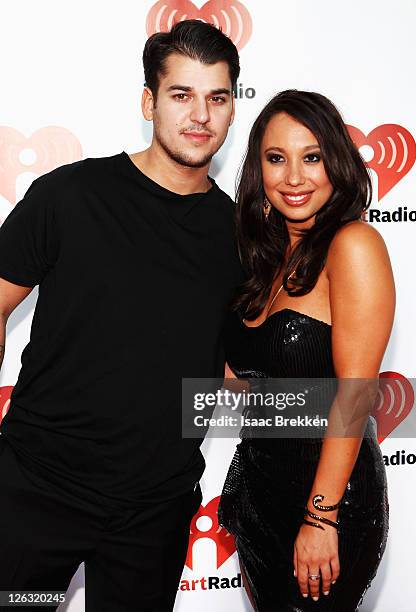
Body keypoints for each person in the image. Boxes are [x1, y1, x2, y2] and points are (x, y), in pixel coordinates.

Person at [0, 20, 242, 611]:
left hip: (152, 515)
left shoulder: (240, 235)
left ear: (234, 109)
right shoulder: (69, 196)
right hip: (37, 494)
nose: (200, 116)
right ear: (148, 102)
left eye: (217, 97)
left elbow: (233, 376)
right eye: (181, 95)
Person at [218, 90, 394, 611]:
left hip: (326, 505)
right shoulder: (265, 262)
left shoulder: (354, 244)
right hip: (258, 490)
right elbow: (251, 388)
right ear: (258, 171)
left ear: (336, 162)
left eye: (311, 157)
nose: (294, 177)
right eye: (277, 159)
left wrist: (321, 518)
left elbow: (356, 392)